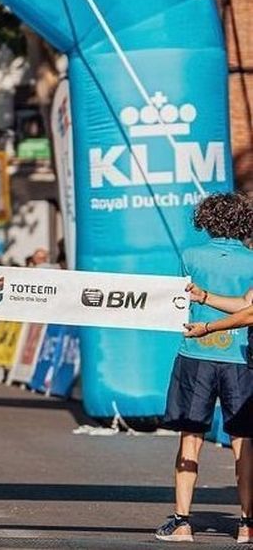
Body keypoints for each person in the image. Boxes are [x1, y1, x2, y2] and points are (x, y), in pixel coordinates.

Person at [157, 193, 253, 543]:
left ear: (207, 220)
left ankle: (182, 522)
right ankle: (247, 524)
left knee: (191, 437)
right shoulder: (252, 260)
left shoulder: (190, 255)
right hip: (241, 358)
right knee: (243, 441)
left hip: (195, 353)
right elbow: (248, 307)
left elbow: (179, 302)